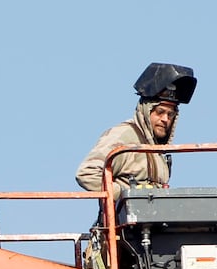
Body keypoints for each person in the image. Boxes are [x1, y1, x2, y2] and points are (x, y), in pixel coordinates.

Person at [75, 62, 196, 192]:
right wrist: (124, 194)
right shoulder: (123, 136)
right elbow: (87, 174)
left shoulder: (157, 150)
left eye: (170, 114)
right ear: (146, 110)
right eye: (160, 112)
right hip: (126, 212)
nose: (165, 119)